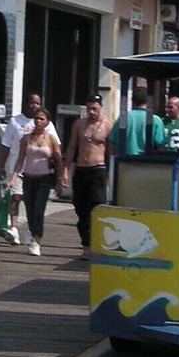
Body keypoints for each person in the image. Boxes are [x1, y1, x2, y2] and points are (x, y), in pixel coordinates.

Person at [0, 93, 58, 245]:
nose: (34, 106)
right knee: (15, 198)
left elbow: (56, 147)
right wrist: (1, 165)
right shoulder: (15, 122)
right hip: (18, 166)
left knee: (35, 207)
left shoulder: (47, 124)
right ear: (26, 103)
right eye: (31, 102)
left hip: (39, 171)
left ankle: (33, 233)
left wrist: (57, 172)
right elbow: (6, 145)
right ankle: (14, 228)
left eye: (37, 103)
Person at [63, 94, 111, 257]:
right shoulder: (79, 124)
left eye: (95, 109)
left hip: (98, 170)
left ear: (100, 108)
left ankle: (97, 243)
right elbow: (71, 147)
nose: (92, 112)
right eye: (89, 108)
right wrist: (65, 169)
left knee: (97, 207)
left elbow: (111, 152)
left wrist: (110, 174)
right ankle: (86, 244)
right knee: (81, 209)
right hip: (81, 169)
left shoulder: (107, 126)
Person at [13, 109, 64, 256]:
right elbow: (20, 159)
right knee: (29, 210)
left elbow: (59, 160)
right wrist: (14, 177)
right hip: (29, 177)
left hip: (44, 179)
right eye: (36, 118)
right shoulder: (26, 138)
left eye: (42, 119)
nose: (38, 121)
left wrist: (60, 180)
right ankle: (32, 231)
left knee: (39, 211)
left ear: (47, 121)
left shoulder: (51, 139)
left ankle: (36, 241)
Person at [111, 87, 166, 156]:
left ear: (132, 100)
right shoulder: (156, 120)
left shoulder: (123, 118)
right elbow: (160, 144)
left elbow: (112, 142)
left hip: (125, 161)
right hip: (147, 162)